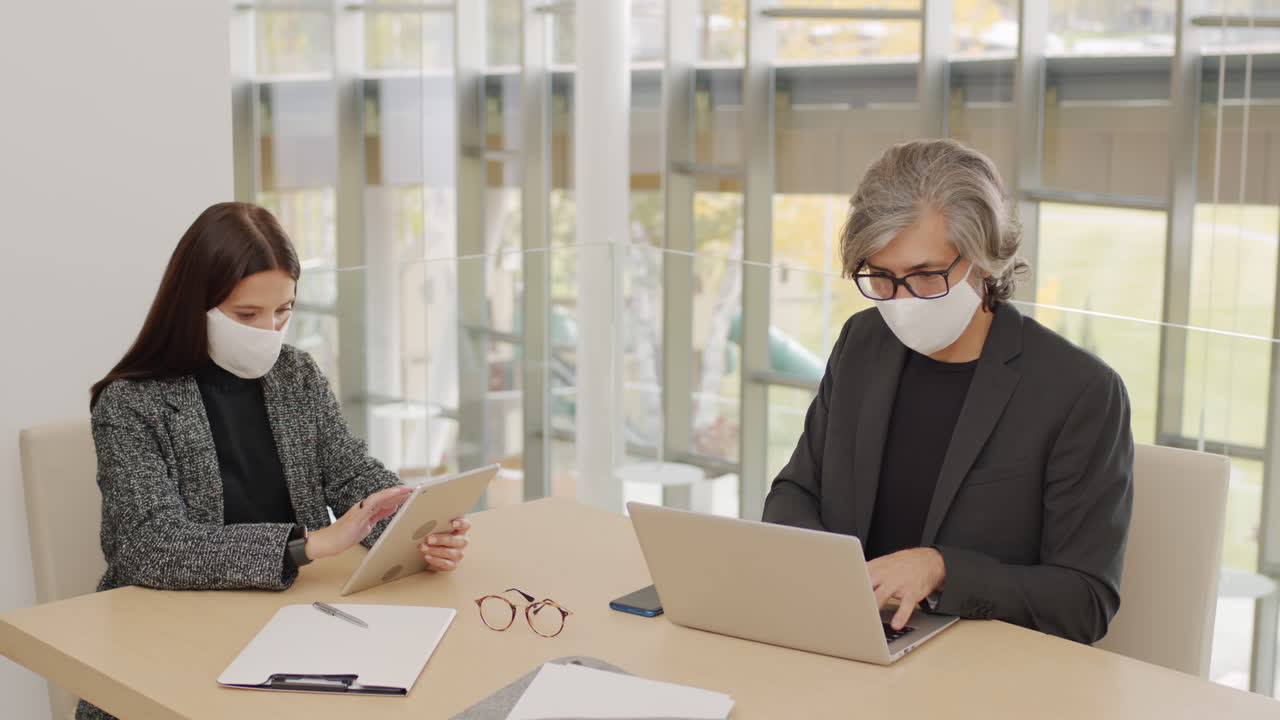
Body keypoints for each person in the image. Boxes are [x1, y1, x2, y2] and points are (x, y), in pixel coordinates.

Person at [78, 202, 469, 720]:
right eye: (247, 315)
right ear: (194, 305)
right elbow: (147, 546)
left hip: (292, 622)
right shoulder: (131, 404)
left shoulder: (296, 376)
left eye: (284, 310)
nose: (270, 329)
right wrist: (307, 545)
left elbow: (353, 473)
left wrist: (413, 528)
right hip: (167, 636)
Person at [762, 139, 1134, 645]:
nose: (900, 301)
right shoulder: (862, 343)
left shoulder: (1079, 392)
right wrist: (831, 575)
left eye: (925, 275)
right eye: (882, 277)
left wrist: (941, 571)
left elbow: (1085, 602)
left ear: (983, 260)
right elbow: (794, 492)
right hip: (848, 640)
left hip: (980, 667)